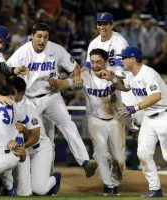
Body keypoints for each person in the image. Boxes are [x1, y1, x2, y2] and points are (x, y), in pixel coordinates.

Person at [6, 22, 97, 178]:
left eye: (45, 37)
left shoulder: (55, 49)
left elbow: (74, 67)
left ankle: (85, 161)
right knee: (44, 139)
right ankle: (47, 177)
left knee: (68, 124)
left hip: (52, 96)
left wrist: (74, 75)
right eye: (39, 36)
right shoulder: (22, 52)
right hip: (30, 100)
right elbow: (6, 71)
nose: (42, 40)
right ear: (32, 36)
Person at [48, 49, 126, 196]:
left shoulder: (115, 72)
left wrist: (113, 79)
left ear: (106, 61)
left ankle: (114, 183)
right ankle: (108, 187)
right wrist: (56, 82)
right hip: (95, 120)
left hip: (115, 119)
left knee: (119, 158)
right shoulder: (85, 75)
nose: (95, 65)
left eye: (99, 61)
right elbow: (66, 83)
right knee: (102, 153)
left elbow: (125, 87)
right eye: (93, 61)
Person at [103, 46, 167, 197]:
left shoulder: (148, 73)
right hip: (149, 118)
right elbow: (124, 88)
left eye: (123, 58)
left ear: (132, 59)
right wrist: (112, 79)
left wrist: (136, 107)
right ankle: (155, 189)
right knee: (143, 153)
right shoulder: (131, 75)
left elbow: (156, 95)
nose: (121, 60)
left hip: (164, 116)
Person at [9, 76, 61, 196]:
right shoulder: (7, 102)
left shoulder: (29, 107)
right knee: (20, 190)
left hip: (39, 148)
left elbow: (35, 136)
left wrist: (22, 147)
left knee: (39, 190)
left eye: (12, 92)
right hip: (22, 150)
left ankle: (56, 178)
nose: (9, 94)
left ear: (21, 93)